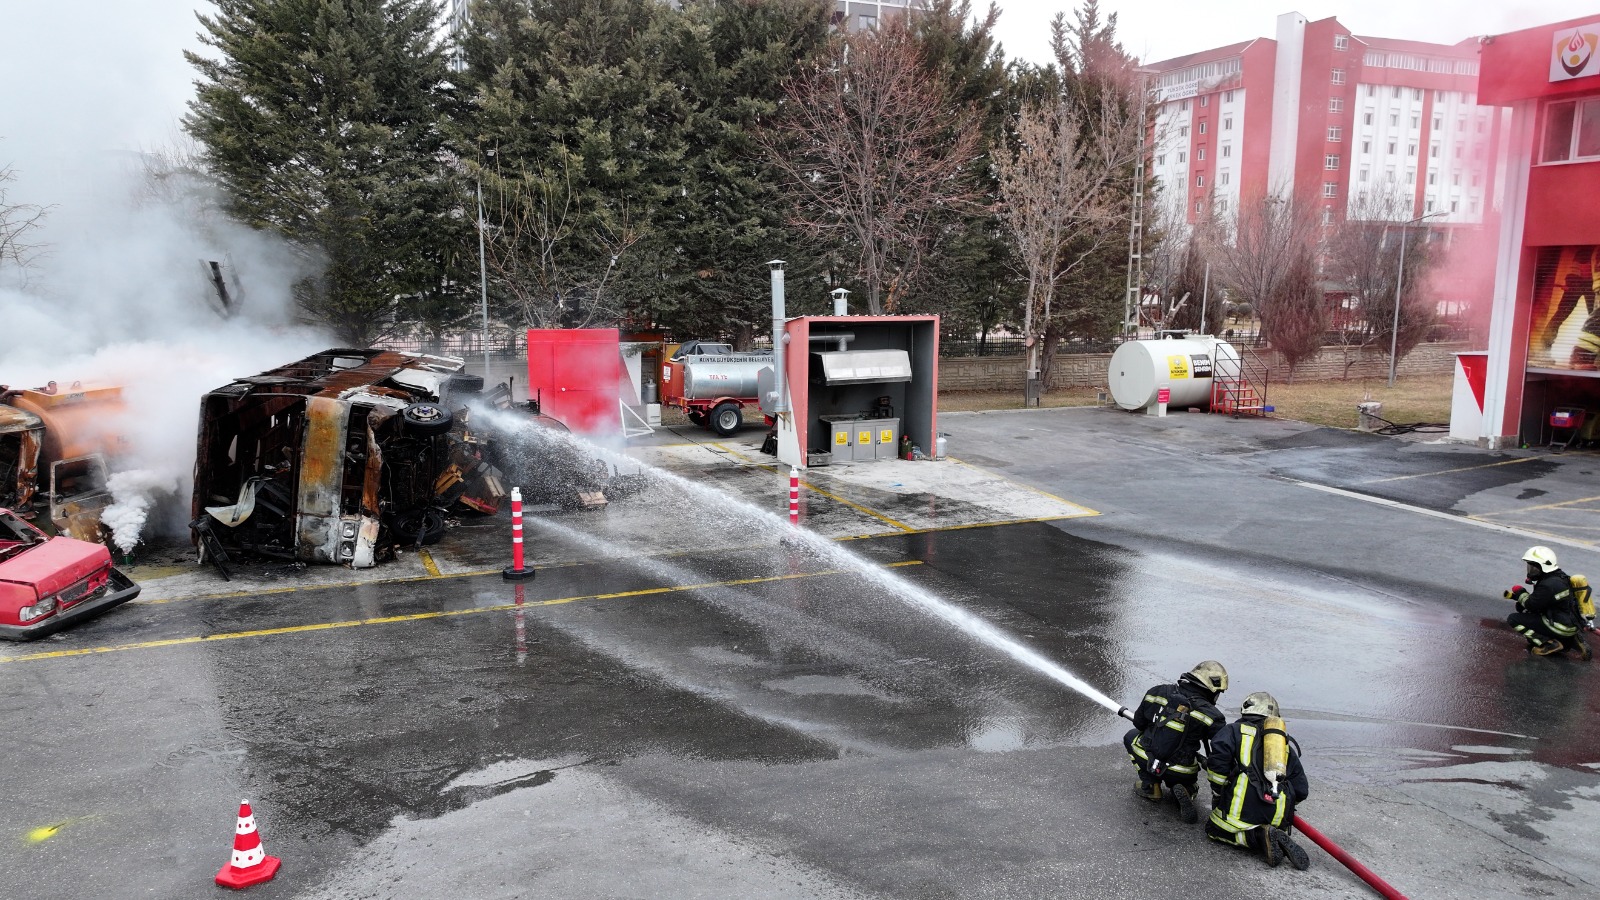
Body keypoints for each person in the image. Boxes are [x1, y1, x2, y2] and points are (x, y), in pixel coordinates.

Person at [1205, 691, 1311, 869]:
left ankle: (1259, 837)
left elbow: (1217, 766)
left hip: (1241, 813)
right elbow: (1301, 790)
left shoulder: (1233, 730)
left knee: (1213, 828)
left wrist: (1220, 791)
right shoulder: (1284, 746)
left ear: (1245, 710)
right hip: (1276, 818)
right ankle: (1274, 833)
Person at [1124, 660, 1228, 824]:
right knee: (1187, 774)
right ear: (1211, 689)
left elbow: (1139, 724)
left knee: (1130, 736)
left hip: (1146, 758)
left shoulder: (1156, 692)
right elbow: (1224, 750)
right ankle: (1187, 789)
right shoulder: (1212, 715)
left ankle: (1151, 785)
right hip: (1181, 769)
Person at [1505, 546, 1591, 661]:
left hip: (1560, 626)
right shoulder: (1561, 576)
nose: (1530, 570)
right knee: (1532, 614)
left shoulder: (1547, 585)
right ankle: (1572, 640)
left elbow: (1531, 605)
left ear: (1544, 566)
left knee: (1513, 619)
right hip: (1573, 624)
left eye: (1534, 567)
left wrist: (1521, 593)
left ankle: (1548, 643)